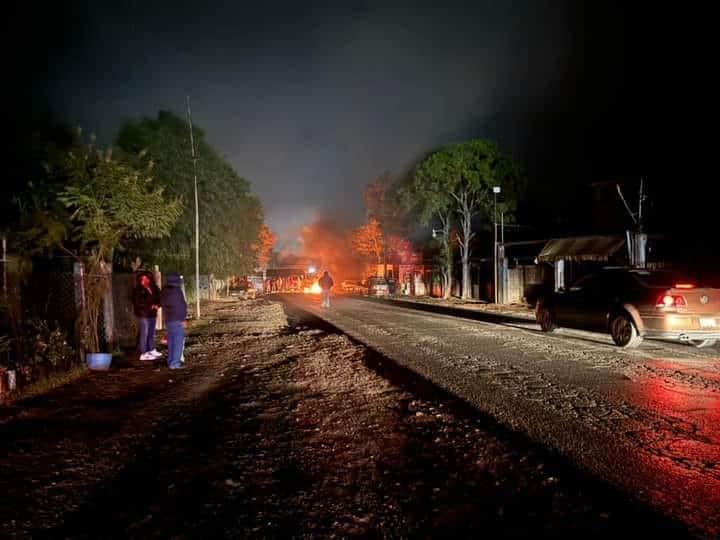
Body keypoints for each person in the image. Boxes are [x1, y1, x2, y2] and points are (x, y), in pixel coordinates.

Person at [132, 271, 161, 361]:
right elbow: (137, 302)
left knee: (151, 333)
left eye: (146, 278)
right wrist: (150, 305)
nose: (144, 280)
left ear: (149, 279)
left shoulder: (154, 288)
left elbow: (160, 297)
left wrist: (158, 305)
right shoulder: (138, 290)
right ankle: (143, 352)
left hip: (152, 314)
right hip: (143, 314)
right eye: (142, 279)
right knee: (144, 333)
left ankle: (151, 349)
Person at [161, 273, 187, 370]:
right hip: (177, 320)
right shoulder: (177, 291)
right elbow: (180, 307)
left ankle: (170, 361)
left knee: (171, 341)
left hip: (168, 319)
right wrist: (183, 319)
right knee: (178, 342)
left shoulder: (164, 290)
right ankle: (175, 363)